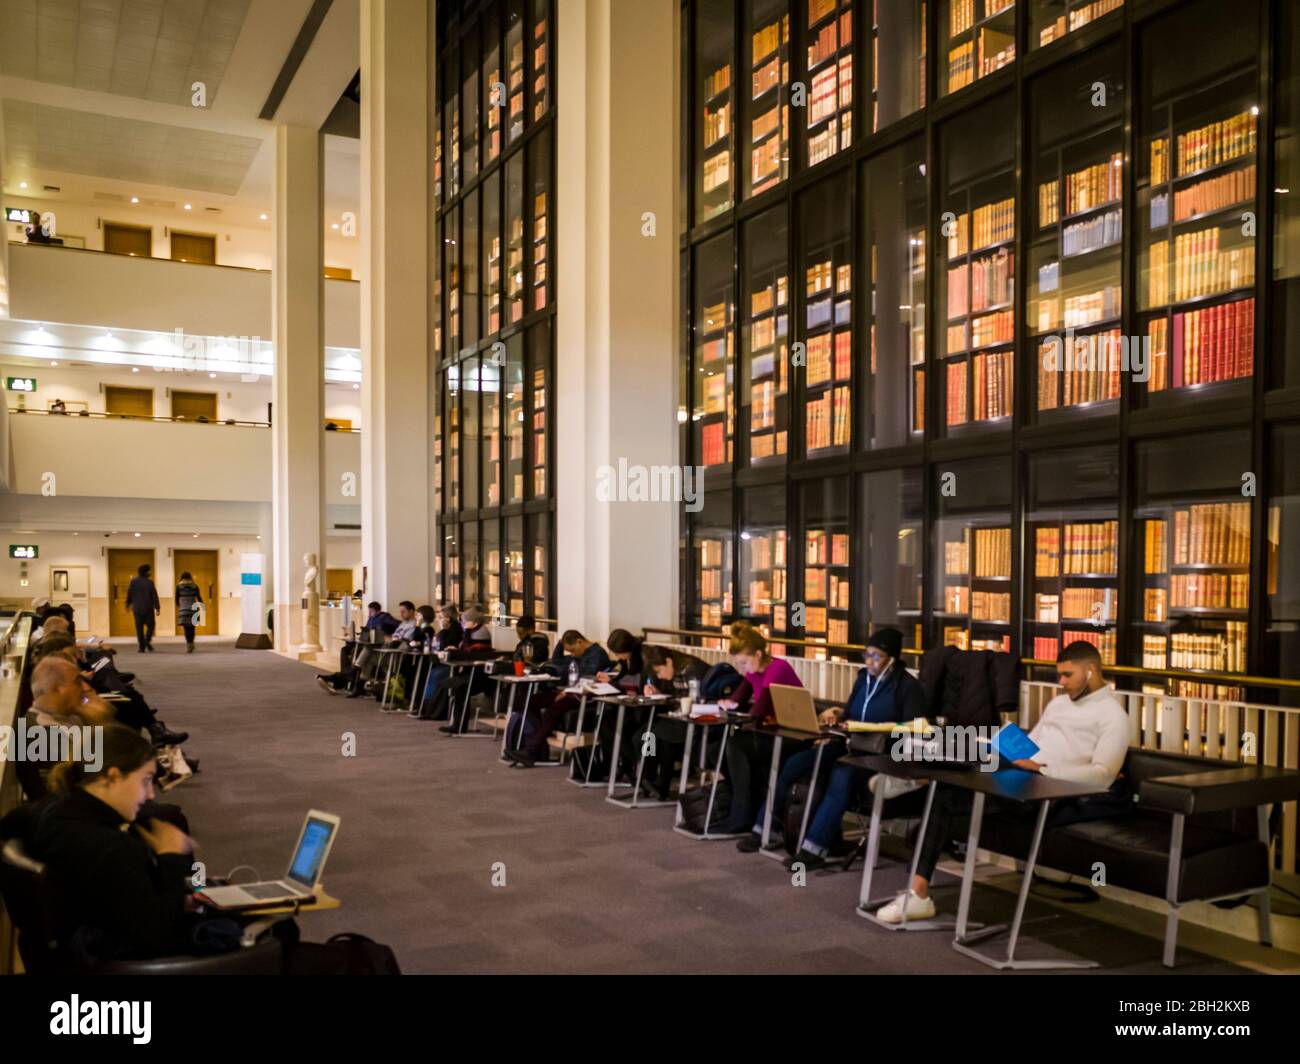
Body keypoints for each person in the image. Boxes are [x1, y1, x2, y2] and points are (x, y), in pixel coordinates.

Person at [875, 641, 1132, 923]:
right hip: (1021, 777)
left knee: (954, 778)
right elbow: (1032, 744)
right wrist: (1009, 749)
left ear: (1091, 671)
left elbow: (1104, 775)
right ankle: (918, 890)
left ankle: (920, 779)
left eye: (1067, 675)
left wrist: (1045, 769)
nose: (1061, 683)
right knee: (962, 767)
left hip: (1049, 791)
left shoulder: (1114, 716)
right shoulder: (1058, 704)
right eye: (1059, 675)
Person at [0, 724, 200, 964]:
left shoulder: (47, 812)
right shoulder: (111, 849)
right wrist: (171, 857)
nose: (150, 794)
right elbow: (160, 938)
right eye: (145, 781)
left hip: (69, 953)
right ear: (113, 777)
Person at [778, 628, 925, 867]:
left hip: (882, 754)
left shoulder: (908, 687)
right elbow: (850, 714)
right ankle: (773, 827)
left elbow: (912, 731)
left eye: (876, 656)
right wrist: (838, 718)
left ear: (892, 659)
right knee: (802, 761)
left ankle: (814, 848)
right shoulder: (862, 679)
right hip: (852, 744)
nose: (869, 661)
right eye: (867, 654)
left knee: (841, 772)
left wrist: (875, 729)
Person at [713, 622, 803, 835]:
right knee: (716, 749)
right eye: (738, 664)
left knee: (736, 747)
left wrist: (735, 708)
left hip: (792, 736)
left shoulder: (778, 669)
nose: (741, 669)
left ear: (759, 654)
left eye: (743, 663)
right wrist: (728, 704)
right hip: (770, 732)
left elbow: (759, 709)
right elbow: (738, 699)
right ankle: (742, 810)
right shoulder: (754, 672)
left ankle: (740, 816)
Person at [504, 630, 612, 765]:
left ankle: (531, 751)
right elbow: (557, 660)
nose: (572, 654)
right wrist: (561, 642)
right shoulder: (578, 654)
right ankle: (539, 748)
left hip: (585, 695)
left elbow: (588, 678)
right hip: (571, 690)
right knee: (530, 701)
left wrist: (567, 692)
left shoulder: (597, 654)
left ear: (579, 642)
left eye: (572, 650)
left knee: (552, 710)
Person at [643, 644, 710, 800]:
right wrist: (659, 693)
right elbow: (676, 697)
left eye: (659, 671)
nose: (659, 677)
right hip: (679, 718)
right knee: (649, 734)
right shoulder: (674, 673)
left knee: (661, 735)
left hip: (695, 719)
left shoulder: (692, 670)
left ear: (669, 661)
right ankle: (651, 777)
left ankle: (659, 783)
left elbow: (696, 699)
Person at [126, 563, 160, 653]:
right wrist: (157, 607)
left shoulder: (133, 582)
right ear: (145, 572)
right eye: (149, 570)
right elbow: (154, 595)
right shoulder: (149, 582)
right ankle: (146, 641)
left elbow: (129, 594)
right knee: (151, 626)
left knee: (139, 629)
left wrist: (128, 604)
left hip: (137, 609)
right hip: (148, 608)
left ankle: (142, 647)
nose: (150, 572)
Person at [175, 571, 203, 653]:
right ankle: (191, 643)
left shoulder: (179, 586)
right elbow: (199, 597)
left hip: (183, 609)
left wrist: (179, 606)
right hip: (193, 610)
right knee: (192, 628)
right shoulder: (195, 586)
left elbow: (176, 599)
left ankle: (188, 644)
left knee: (186, 629)